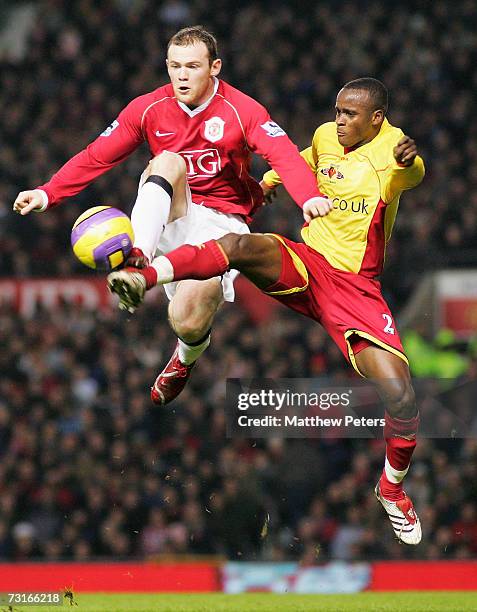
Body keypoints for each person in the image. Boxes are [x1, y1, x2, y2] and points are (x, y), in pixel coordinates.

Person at [107, 78, 425, 545]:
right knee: (237, 246)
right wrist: (267, 186)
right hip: (307, 263)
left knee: (401, 395)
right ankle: (144, 278)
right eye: (336, 111)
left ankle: (391, 490)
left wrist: (410, 160)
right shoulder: (323, 137)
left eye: (349, 115)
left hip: (355, 290)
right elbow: (300, 161)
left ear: (376, 118)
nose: (338, 121)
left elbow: (413, 171)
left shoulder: (392, 152)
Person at [12, 25, 331, 405]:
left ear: (215, 67)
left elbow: (284, 154)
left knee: (188, 319)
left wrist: (308, 197)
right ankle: (138, 261)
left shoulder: (242, 110)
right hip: (168, 207)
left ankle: (184, 358)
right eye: (175, 66)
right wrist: (48, 193)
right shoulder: (148, 108)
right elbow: (98, 154)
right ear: (166, 66)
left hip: (222, 224)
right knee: (166, 161)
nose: (182, 75)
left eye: (192, 66)